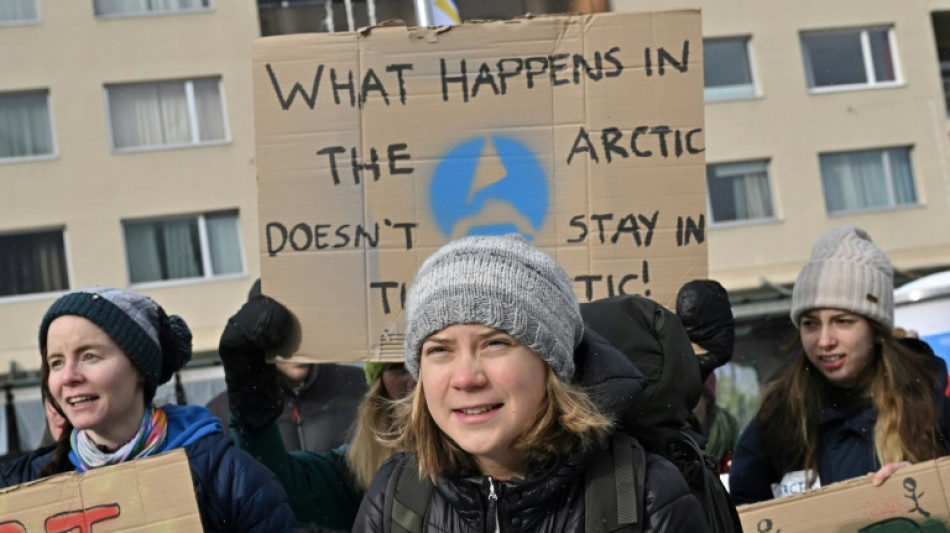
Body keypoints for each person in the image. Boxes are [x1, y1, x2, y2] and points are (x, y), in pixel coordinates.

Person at [352, 234, 709, 532]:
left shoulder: (643, 494)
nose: (466, 378)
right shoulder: (396, 497)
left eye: (495, 343)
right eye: (440, 350)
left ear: (551, 363)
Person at [0, 287, 296, 532]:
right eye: (56, 362)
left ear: (140, 369)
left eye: (89, 356)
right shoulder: (18, 487)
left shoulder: (230, 480)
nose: (68, 377)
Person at [730, 225, 950, 504]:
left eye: (843, 321)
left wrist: (929, 485)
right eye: (810, 324)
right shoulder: (779, 415)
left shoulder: (931, 397)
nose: (824, 341)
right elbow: (746, 509)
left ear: (876, 330)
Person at [219, 286, 417, 531]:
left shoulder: (346, 384)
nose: (415, 381)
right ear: (379, 389)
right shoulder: (352, 476)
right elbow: (275, 484)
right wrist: (251, 391)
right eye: (398, 367)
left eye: (435, 355)